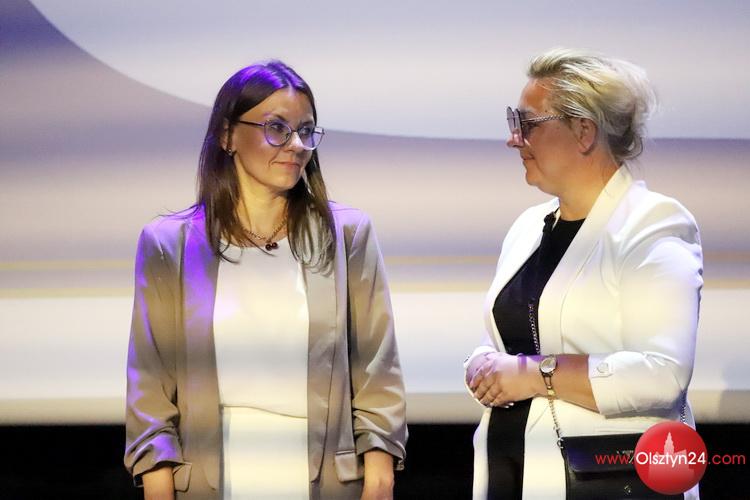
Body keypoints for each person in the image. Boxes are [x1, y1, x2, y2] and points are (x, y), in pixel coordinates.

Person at [124, 60, 407, 500]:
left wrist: (381, 477)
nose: (295, 145)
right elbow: (151, 385)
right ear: (227, 135)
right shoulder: (169, 244)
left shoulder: (347, 235)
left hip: (326, 481)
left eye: (306, 131)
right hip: (209, 481)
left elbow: (377, 369)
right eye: (277, 128)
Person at [464, 48, 703, 499]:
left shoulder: (653, 224)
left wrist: (534, 373)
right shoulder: (527, 228)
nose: (514, 140)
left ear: (583, 131)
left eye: (527, 123)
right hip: (513, 472)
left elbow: (662, 374)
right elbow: (518, 341)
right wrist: (483, 363)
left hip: (609, 482)